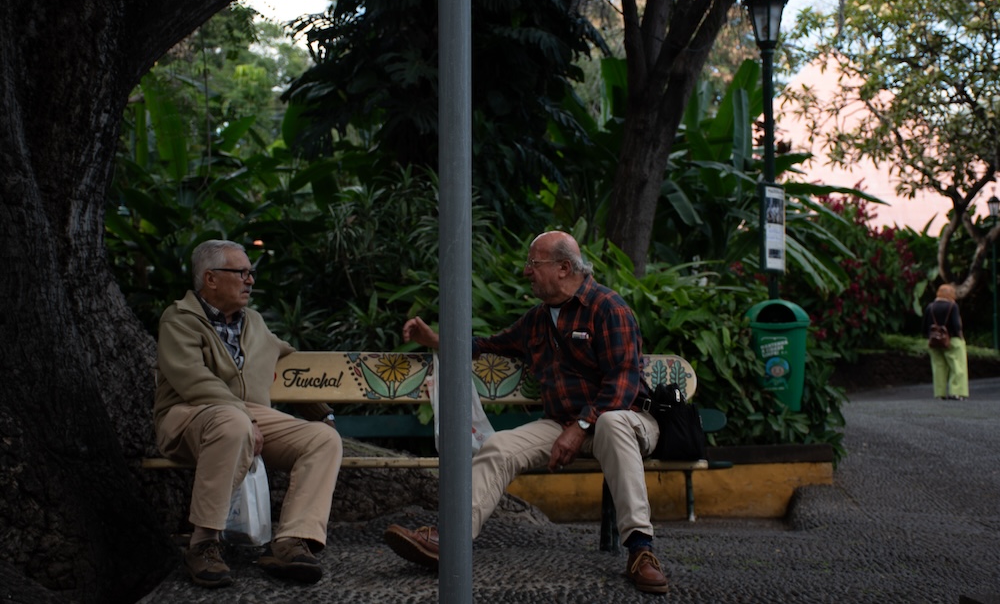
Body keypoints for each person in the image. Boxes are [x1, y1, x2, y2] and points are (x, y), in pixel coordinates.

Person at [383, 231, 669, 594]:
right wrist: (434, 340)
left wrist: (581, 426)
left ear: (564, 267)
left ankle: (641, 550)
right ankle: (449, 540)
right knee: (500, 446)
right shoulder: (537, 320)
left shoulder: (609, 308)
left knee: (611, 423)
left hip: (627, 420)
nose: (526, 272)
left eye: (534, 263)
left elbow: (623, 383)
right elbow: (488, 345)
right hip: (564, 425)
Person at [154, 240, 343, 588]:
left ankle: (290, 541)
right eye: (241, 272)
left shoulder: (253, 322)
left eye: (250, 273)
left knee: (323, 439)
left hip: (248, 417)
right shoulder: (179, 319)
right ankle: (203, 544)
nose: (250, 280)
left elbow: (288, 359)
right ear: (210, 279)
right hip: (189, 415)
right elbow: (193, 379)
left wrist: (323, 412)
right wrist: (244, 416)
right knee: (234, 422)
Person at [922, 283, 969, 400]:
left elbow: (924, 327)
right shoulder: (952, 306)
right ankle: (956, 392)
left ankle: (939, 393)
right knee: (957, 366)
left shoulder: (930, 307)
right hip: (952, 340)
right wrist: (961, 338)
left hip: (934, 341)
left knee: (938, 367)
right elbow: (957, 325)